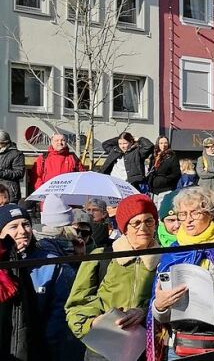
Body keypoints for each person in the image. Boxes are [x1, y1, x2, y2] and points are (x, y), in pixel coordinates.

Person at [150, 185, 214, 359]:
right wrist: (160, 306)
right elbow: (158, 314)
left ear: (210, 214)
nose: (188, 220)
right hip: (177, 348)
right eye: (183, 214)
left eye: (195, 213)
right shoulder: (172, 253)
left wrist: (206, 307)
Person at [65, 194, 160, 361]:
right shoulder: (102, 257)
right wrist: (93, 322)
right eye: (136, 223)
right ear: (124, 227)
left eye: (149, 221)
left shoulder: (165, 260)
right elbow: (76, 304)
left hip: (148, 349)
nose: (143, 228)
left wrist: (145, 312)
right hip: (103, 348)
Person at [0, 202, 81, 359]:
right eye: (13, 227)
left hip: (42, 350)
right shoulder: (3, 269)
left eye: (26, 224)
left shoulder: (52, 263)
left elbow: (60, 314)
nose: (22, 231)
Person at [147, 135, 181, 207]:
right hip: (153, 190)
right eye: (161, 143)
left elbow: (176, 173)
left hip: (165, 189)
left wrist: (165, 180)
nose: (163, 145)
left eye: (165, 143)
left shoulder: (172, 156)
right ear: (158, 144)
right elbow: (151, 170)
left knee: (161, 210)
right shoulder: (154, 157)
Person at [0, 131, 26, 204]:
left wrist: (1, 173)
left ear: (4, 143)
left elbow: (19, 173)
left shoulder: (16, 154)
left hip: (9, 193)